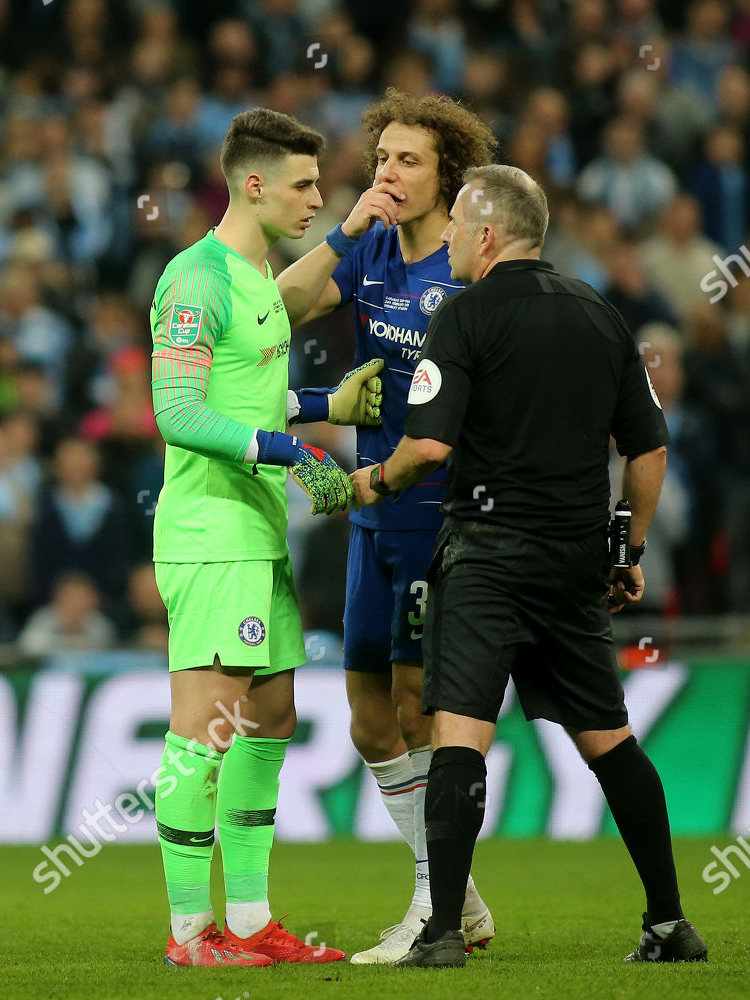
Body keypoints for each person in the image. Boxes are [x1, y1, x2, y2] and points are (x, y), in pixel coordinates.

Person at [351, 165, 707, 967]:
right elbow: (649, 445)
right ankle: (668, 922)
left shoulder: (465, 315)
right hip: (575, 559)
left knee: (459, 741)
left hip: (487, 558)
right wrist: (629, 543)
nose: (444, 244)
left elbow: (430, 446)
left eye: (454, 232)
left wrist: (369, 480)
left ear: (485, 235)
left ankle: (442, 930)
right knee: (611, 742)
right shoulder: (601, 315)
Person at [147, 107, 385, 968]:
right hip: (211, 533)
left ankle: (248, 922)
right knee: (202, 732)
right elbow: (174, 410)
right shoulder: (196, 278)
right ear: (252, 185)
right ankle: (187, 936)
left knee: (271, 717)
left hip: (256, 529)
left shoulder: (258, 277)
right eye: (303, 185)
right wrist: (286, 449)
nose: (317, 199)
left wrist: (324, 408)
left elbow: (245, 400)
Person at [277, 89, 498, 964]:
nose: (389, 174)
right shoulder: (366, 245)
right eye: (381, 160)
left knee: (417, 708)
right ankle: (461, 899)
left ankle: (431, 905)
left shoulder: (471, 263)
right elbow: (283, 307)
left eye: (408, 161)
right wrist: (341, 226)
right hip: (370, 509)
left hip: (438, 510)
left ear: (448, 172)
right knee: (370, 719)